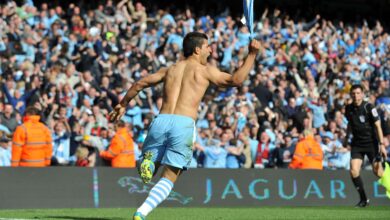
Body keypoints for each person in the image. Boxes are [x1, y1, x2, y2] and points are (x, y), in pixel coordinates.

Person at [109, 32, 260, 220]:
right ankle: (142, 212)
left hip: (161, 121)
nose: (211, 50)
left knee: (148, 172)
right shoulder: (205, 70)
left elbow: (141, 83)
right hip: (184, 124)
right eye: (208, 47)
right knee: (172, 174)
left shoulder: (170, 69)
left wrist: (123, 104)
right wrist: (252, 54)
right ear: (197, 50)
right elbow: (236, 80)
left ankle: (147, 163)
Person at [344, 84, 390, 207]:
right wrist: (345, 138)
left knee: (378, 172)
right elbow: (349, 124)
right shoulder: (348, 108)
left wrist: (382, 144)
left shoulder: (369, 107)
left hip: (371, 143)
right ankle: (364, 200)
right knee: (354, 171)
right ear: (350, 94)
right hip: (357, 144)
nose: (356, 96)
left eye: (358, 93)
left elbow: (378, 126)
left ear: (363, 94)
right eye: (353, 93)